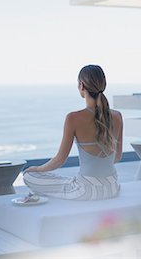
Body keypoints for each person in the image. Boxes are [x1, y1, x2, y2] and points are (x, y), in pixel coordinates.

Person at [23, 65, 123, 200]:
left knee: (29, 176)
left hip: (86, 191)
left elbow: (59, 160)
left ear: (82, 85)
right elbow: (117, 157)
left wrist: (37, 169)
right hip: (112, 187)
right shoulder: (117, 116)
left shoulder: (73, 118)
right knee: (67, 180)